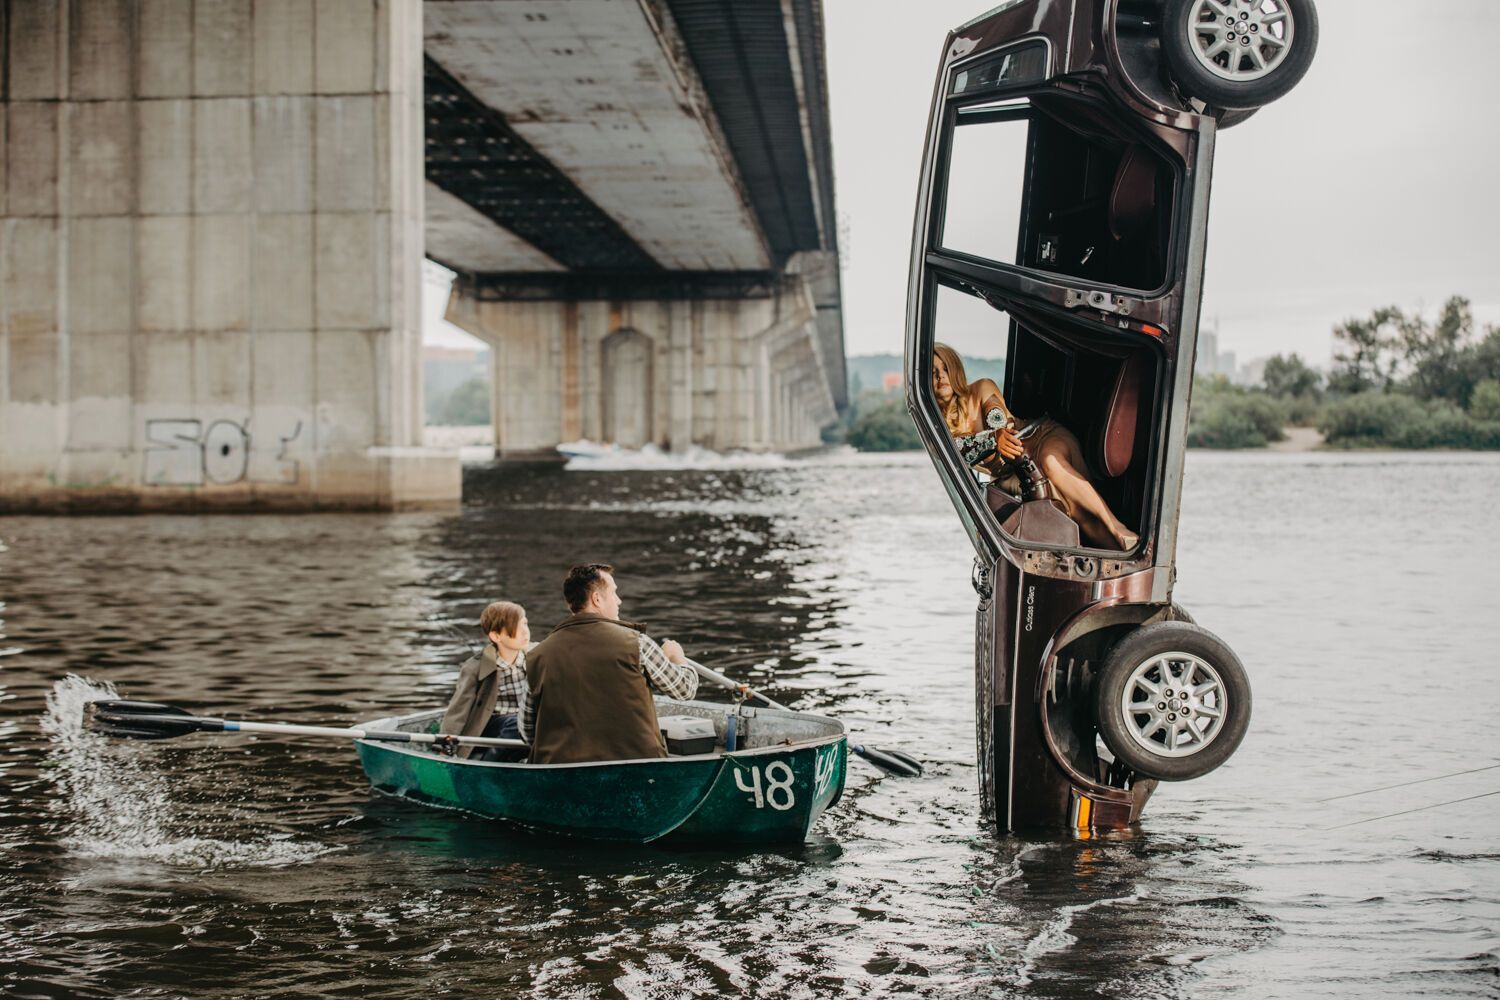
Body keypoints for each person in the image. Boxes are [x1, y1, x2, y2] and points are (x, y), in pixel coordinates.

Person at [933, 343, 1139, 551]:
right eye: (933, 373)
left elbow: (996, 415)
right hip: (1021, 473)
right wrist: (993, 440)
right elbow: (959, 450)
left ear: (956, 370)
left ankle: (1118, 528)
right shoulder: (938, 432)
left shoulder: (981, 388)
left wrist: (999, 432)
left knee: (1052, 463)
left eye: (945, 369)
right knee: (1076, 515)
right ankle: (1123, 552)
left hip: (1042, 436)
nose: (941, 377)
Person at [523, 563, 699, 765]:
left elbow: (528, 729)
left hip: (562, 772)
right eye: (614, 593)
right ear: (597, 599)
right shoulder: (637, 643)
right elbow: (685, 690)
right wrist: (677, 657)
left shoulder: (536, 656)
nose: (619, 600)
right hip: (637, 769)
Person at [438, 600, 531, 761]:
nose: (525, 632)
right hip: (492, 724)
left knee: (532, 722)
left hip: (524, 723)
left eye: (525, 624)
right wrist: (444, 745)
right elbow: (458, 710)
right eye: (517, 627)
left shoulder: (535, 657)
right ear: (496, 636)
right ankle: (488, 763)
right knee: (517, 723)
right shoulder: (475, 667)